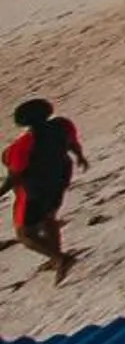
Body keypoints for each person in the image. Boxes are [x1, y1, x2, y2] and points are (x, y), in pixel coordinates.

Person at [4, 99, 88, 284]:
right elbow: (72, 144)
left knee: (25, 234)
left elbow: (15, 176)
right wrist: (80, 157)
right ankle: (55, 256)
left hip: (34, 189)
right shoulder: (63, 125)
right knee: (49, 217)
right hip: (59, 178)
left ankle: (60, 258)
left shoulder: (20, 147)